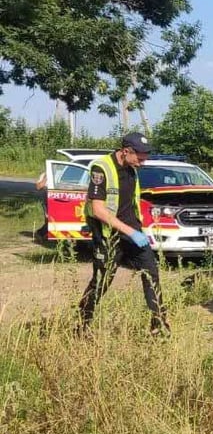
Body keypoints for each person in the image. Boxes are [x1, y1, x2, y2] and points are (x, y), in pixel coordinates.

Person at [78, 132, 169, 336]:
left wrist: (139, 231)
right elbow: (99, 210)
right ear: (126, 151)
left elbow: (130, 205)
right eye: (140, 158)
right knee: (102, 281)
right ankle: (82, 325)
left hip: (133, 233)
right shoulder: (101, 168)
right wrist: (130, 231)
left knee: (151, 273)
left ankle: (159, 325)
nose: (142, 163)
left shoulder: (132, 169)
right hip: (109, 235)